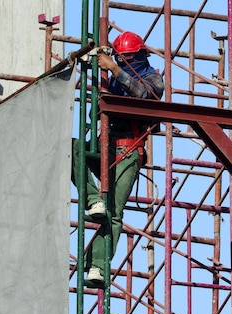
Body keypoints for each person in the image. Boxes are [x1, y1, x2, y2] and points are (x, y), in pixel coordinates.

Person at [71, 31, 164, 284]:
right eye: (120, 61)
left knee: (113, 213)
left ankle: (97, 266)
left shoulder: (153, 77)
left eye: (127, 60)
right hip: (106, 145)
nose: (124, 65)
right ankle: (92, 198)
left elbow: (144, 95)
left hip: (128, 151)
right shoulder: (110, 79)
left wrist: (113, 68)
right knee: (73, 148)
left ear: (139, 56)